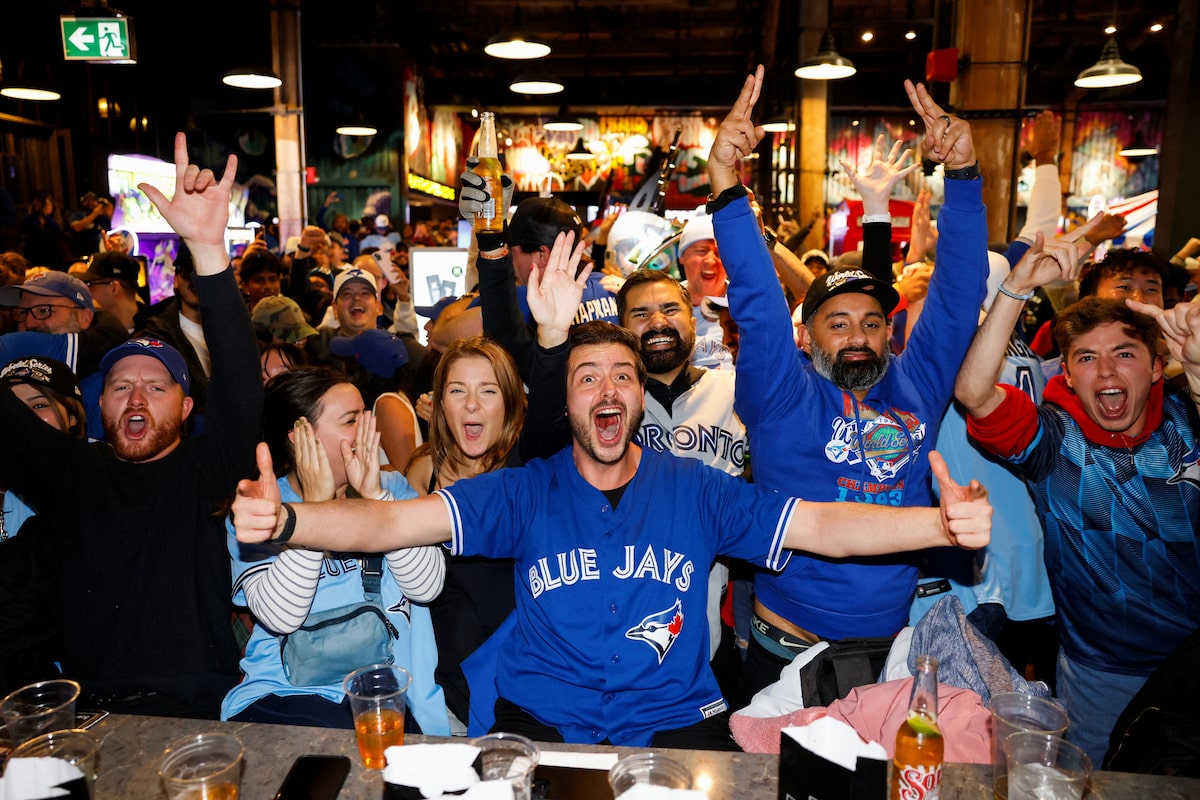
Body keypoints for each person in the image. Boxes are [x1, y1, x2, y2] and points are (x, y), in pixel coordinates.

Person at [231, 229, 994, 750]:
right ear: (565, 404)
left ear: (636, 400)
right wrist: (291, 518)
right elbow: (392, 526)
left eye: (622, 376)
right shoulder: (523, 491)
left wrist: (940, 526)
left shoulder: (697, 489)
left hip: (673, 722)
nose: (606, 388)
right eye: (586, 377)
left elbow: (825, 527)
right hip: (543, 724)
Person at [707, 67, 989, 698]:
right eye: (837, 323)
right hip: (784, 657)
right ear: (807, 337)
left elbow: (957, 292)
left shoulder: (915, 386)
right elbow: (756, 296)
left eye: (871, 322)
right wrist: (726, 187)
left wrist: (965, 178)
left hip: (891, 661)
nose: (858, 334)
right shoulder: (782, 395)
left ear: (891, 333)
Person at [0, 132, 264, 717]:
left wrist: (208, 252)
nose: (135, 396)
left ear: (188, 407)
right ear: (100, 407)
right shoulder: (70, 474)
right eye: (120, 386)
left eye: (155, 385)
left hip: (202, 711)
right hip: (90, 718)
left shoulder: (207, 470)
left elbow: (243, 390)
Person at [953, 233, 1200, 766]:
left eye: (1124, 354)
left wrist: (1198, 373)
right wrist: (1015, 287)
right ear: (1065, 373)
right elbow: (974, 392)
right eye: (1086, 358)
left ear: (1158, 367)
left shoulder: (1188, 419)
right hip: (1098, 676)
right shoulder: (1054, 442)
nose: (1106, 372)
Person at [222, 367, 447, 733]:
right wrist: (313, 510)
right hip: (284, 695)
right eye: (350, 421)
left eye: (365, 414)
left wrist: (377, 497)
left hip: (379, 696)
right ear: (302, 438)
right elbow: (281, 618)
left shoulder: (392, 487)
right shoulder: (264, 505)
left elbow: (427, 587)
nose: (368, 429)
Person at [403, 335, 527, 730]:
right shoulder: (424, 471)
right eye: (458, 391)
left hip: (522, 677)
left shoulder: (530, 469)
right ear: (440, 404)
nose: (471, 404)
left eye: (487, 390)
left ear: (508, 403)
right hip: (447, 685)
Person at [0, 356, 89, 540]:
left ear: (73, 415)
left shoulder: (98, 471)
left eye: (39, 405)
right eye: (14, 408)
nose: (26, 418)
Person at [79, 251, 150, 333]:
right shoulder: (89, 333)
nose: (87, 293)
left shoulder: (155, 335)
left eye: (90, 285)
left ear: (114, 289)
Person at [68, 192, 114, 259]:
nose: (90, 203)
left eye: (93, 200)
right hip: (84, 254)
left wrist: (109, 211)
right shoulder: (77, 215)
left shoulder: (102, 218)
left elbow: (111, 229)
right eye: (88, 200)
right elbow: (77, 228)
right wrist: (95, 214)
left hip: (103, 253)